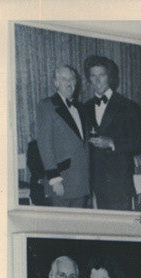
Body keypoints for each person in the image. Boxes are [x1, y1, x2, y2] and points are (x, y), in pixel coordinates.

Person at [81, 55, 141, 211]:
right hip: (95, 180)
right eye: (93, 76)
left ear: (110, 77)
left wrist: (112, 143)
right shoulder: (85, 107)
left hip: (120, 180)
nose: (97, 80)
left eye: (101, 75)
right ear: (88, 79)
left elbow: (140, 142)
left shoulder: (128, 106)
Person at [34, 65, 89, 208]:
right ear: (56, 83)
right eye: (64, 79)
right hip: (62, 180)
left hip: (82, 180)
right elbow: (44, 145)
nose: (69, 82)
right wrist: (54, 179)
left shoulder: (80, 107)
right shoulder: (46, 106)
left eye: (72, 79)